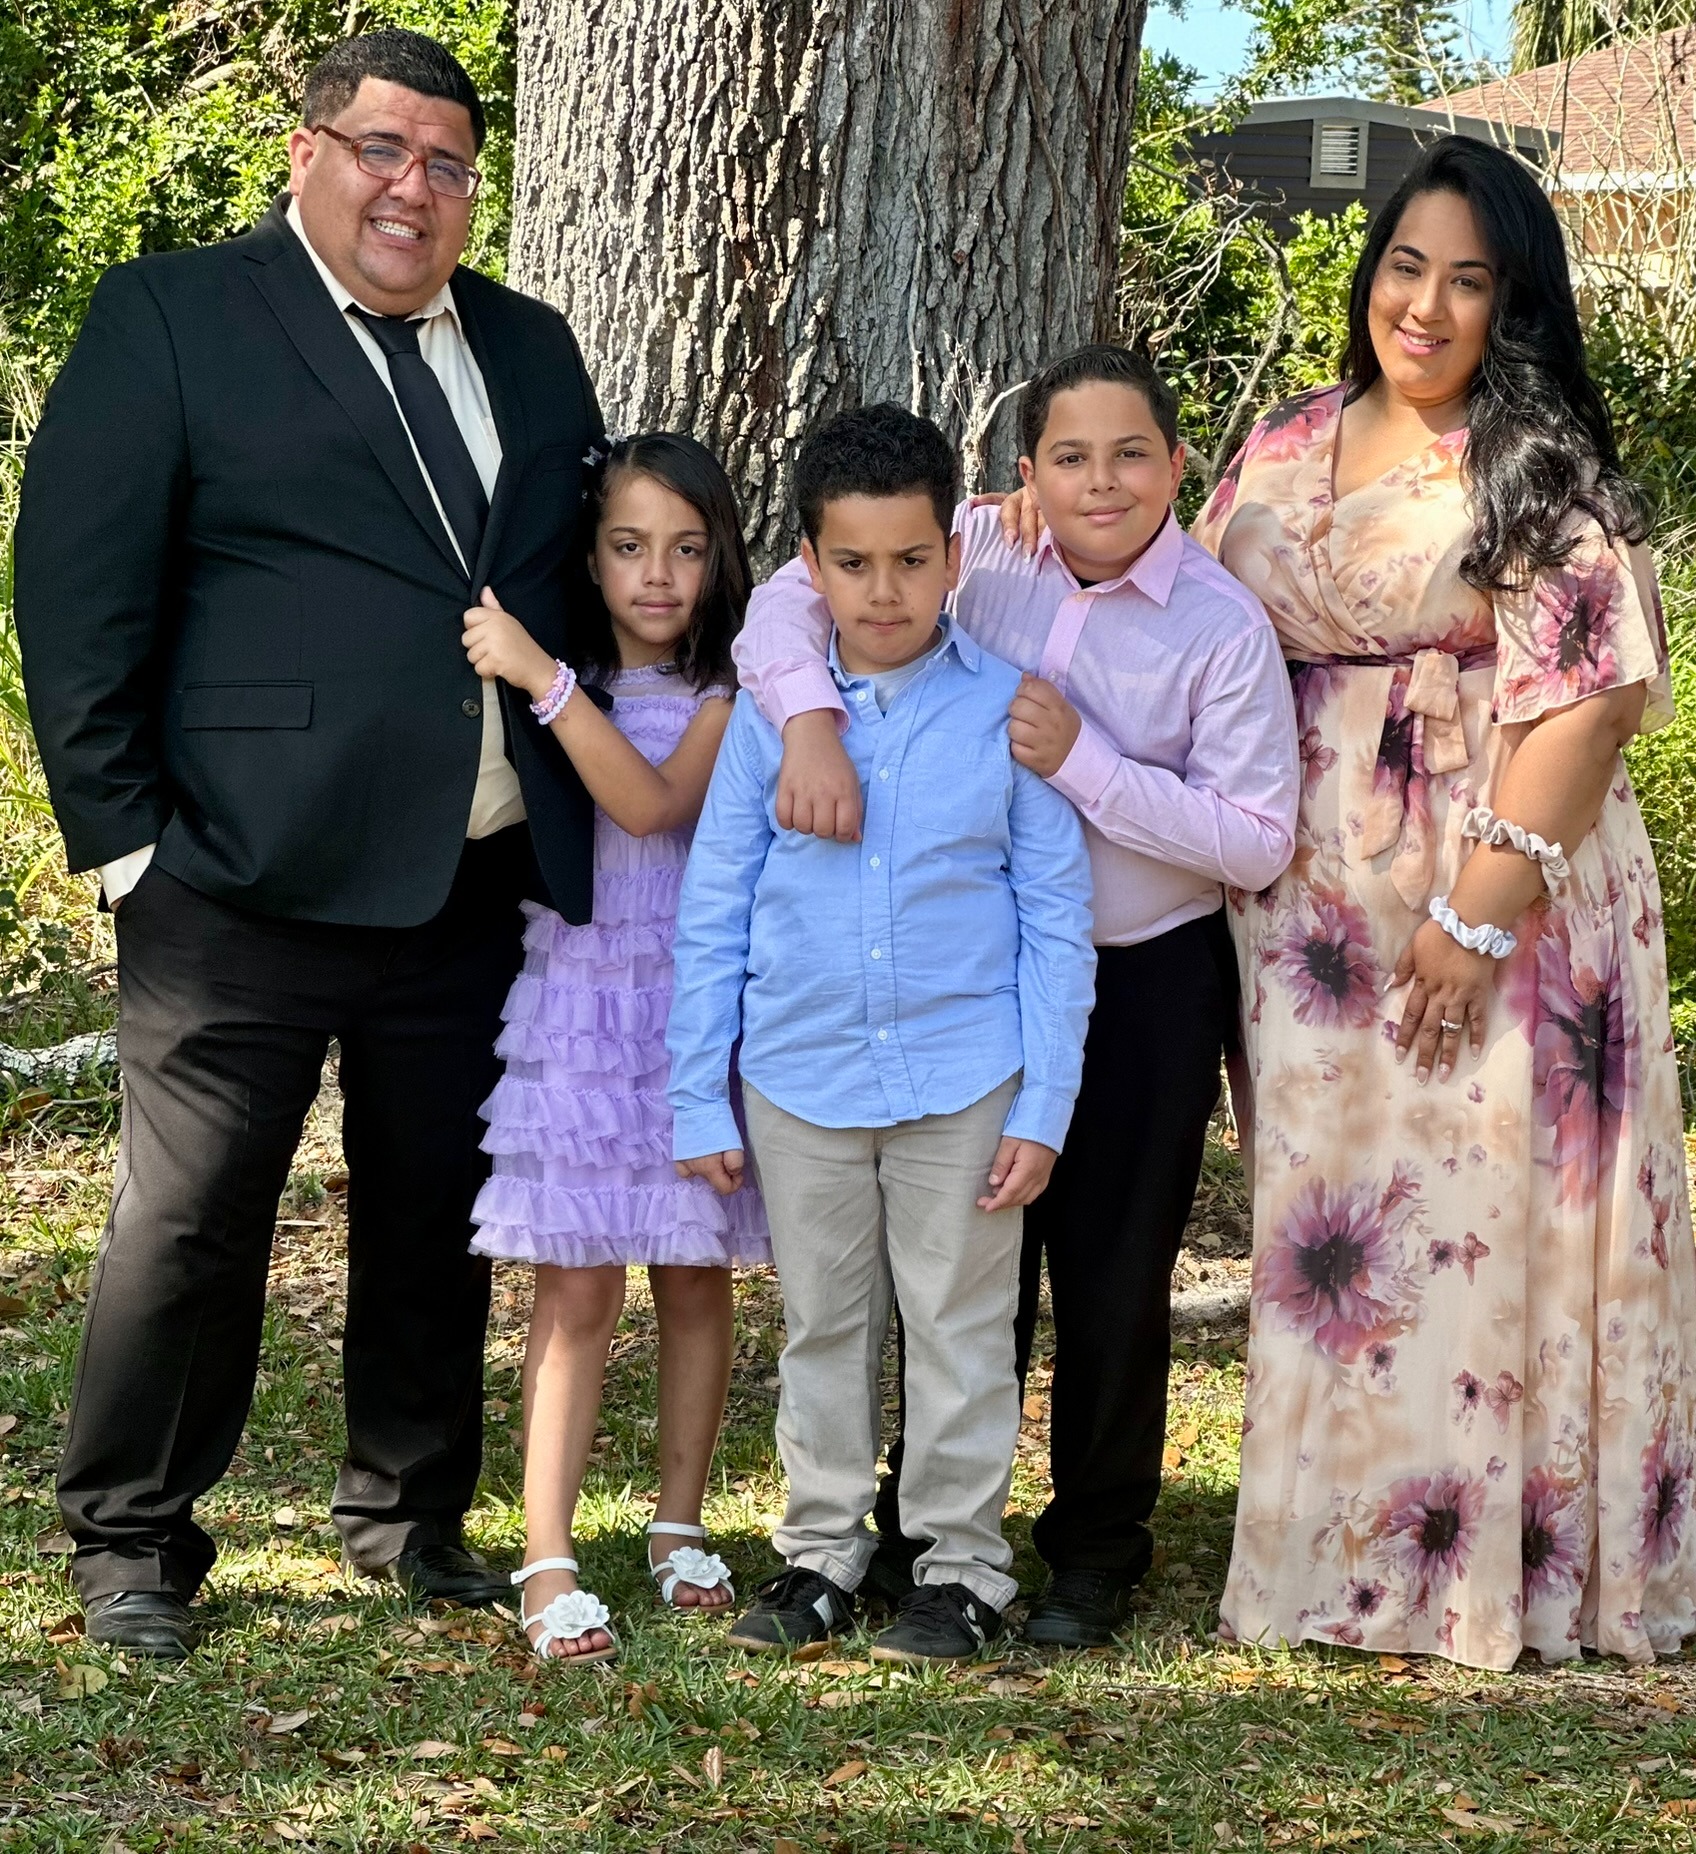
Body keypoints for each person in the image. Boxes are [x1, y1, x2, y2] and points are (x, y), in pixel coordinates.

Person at [13, 30, 605, 1658]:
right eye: (382, 149)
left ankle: (409, 1512)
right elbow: (76, 584)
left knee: (432, 1207)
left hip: (472, 871)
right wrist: (125, 841)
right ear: (307, 153)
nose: (415, 187)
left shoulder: (533, 348)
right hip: (233, 874)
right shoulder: (174, 315)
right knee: (192, 1216)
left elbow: (584, 572)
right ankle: (134, 1538)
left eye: (448, 162)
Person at [1185, 137, 1696, 1668]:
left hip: (1504, 888)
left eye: (1468, 280)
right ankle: (1340, 1556)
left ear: (1513, 306)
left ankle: (1494, 1564)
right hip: (1311, 919)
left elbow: (1595, 703)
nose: (1424, 303)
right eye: (1406, 264)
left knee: (1484, 1212)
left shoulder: (1538, 469)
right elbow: (1177, 604)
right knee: (1337, 1229)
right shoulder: (1286, 439)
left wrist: (1474, 920)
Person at [732, 348, 1299, 1646]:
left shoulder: (1218, 624)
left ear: (1178, 465)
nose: (1102, 482)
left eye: (1131, 454)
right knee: (957, 1269)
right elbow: (778, 608)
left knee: (1112, 1273)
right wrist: (810, 721)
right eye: (1070, 457)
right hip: (970, 976)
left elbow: (1258, 837)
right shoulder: (975, 551)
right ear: (1027, 472)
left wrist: (1087, 761)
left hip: (1145, 974)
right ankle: (923, 1533)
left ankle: (1096, 1546)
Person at [666, 403, 1096, 1663]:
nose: (885, 590)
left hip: (965, 1079)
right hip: (798, 1074)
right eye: (852, 564)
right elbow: (716, 905)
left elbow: (1054, 922)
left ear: (953, 556)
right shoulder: (772, 717)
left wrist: (1042, 1105)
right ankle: (820, 1554)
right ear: (810, 564)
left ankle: (960, 1568)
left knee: (960, 1328)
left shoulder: (1012, 712)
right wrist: (697, 1091)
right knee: (824, 1325)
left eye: (912, 559)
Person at [456, 434, 769, 1663]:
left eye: (686, 549)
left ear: (719, 559)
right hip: (583, 1003)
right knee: (577, 1281)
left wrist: (540, 679)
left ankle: (678, 1523)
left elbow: (650, 804)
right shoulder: (572, 676)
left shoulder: (725, 692)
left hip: (695, 1010)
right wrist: (549, 675)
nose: (657, 575)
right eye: (629, 546)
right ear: (589, 557)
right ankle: (547, 1555)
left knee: (693, 1273)